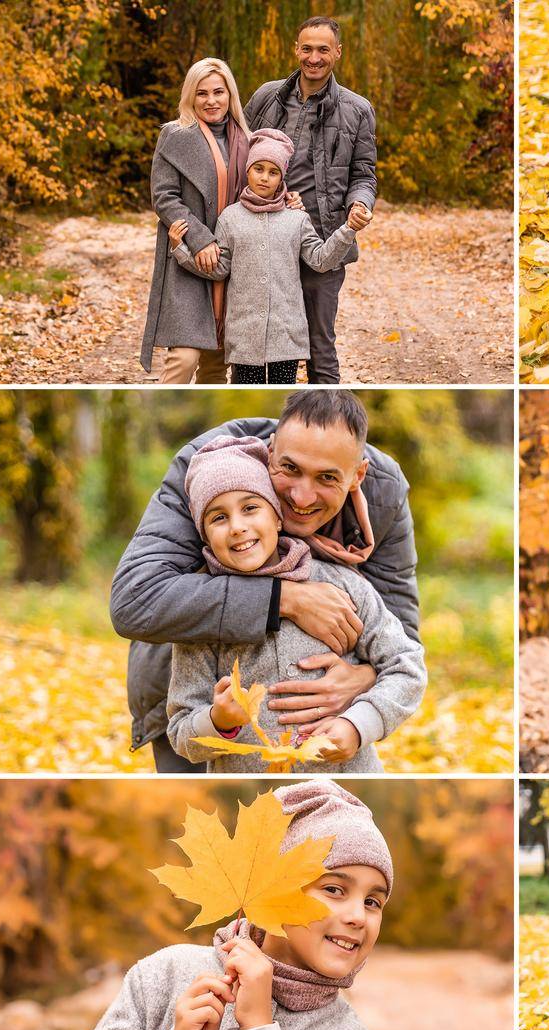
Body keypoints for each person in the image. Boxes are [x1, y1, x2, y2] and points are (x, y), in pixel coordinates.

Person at [56, 781, 391, 1030]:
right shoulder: (164, 974)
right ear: (274, 887)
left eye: (373, 901)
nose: (357, 917)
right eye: (333, 889)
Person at [110, 390, 420, 773]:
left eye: (326, 477)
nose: (302, 496)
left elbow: (402, 641)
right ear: (269, 452)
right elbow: (135, 600)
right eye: (289, 469)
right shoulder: (210, 468)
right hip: (196, 696)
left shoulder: (383, 494)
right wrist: (285, 598)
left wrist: (364, 681)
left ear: (357, 476)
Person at [168, 129, 372, 384]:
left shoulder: (296, 219)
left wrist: (349, 229)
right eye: (258, 169)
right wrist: (181, 250)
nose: (264, 177)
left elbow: (321, 260)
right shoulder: (230, 218)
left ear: (282, 177)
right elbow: (220, 268)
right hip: (244, 337)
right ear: (248, 171)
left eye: (273, 172)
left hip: (287, 336)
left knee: (280, 390)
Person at [245, 15, 378, 383]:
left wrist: (360, 204)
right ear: (296, 50)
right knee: (261, 345)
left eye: (323, 49)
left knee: (320, 346)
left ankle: (323, 417)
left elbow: (364, 174)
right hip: (264, 241)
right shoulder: (265, 98)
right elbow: (238, 156)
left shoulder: (357, 110)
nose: (314, 58)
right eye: (307, 49)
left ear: (337, 52)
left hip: (321, 243)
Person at [141, 58, 256, 383]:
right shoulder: (175, 136)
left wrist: (288, 199)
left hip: (232, 259)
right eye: (202, 93)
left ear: (230, 94)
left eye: (218, 92)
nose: (211, 100)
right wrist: (201, 238)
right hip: (188, 255)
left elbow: (261, 189)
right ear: (190, 96)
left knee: (217, 362)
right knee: (184, 356)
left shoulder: (246, 140)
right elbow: (164, 196)